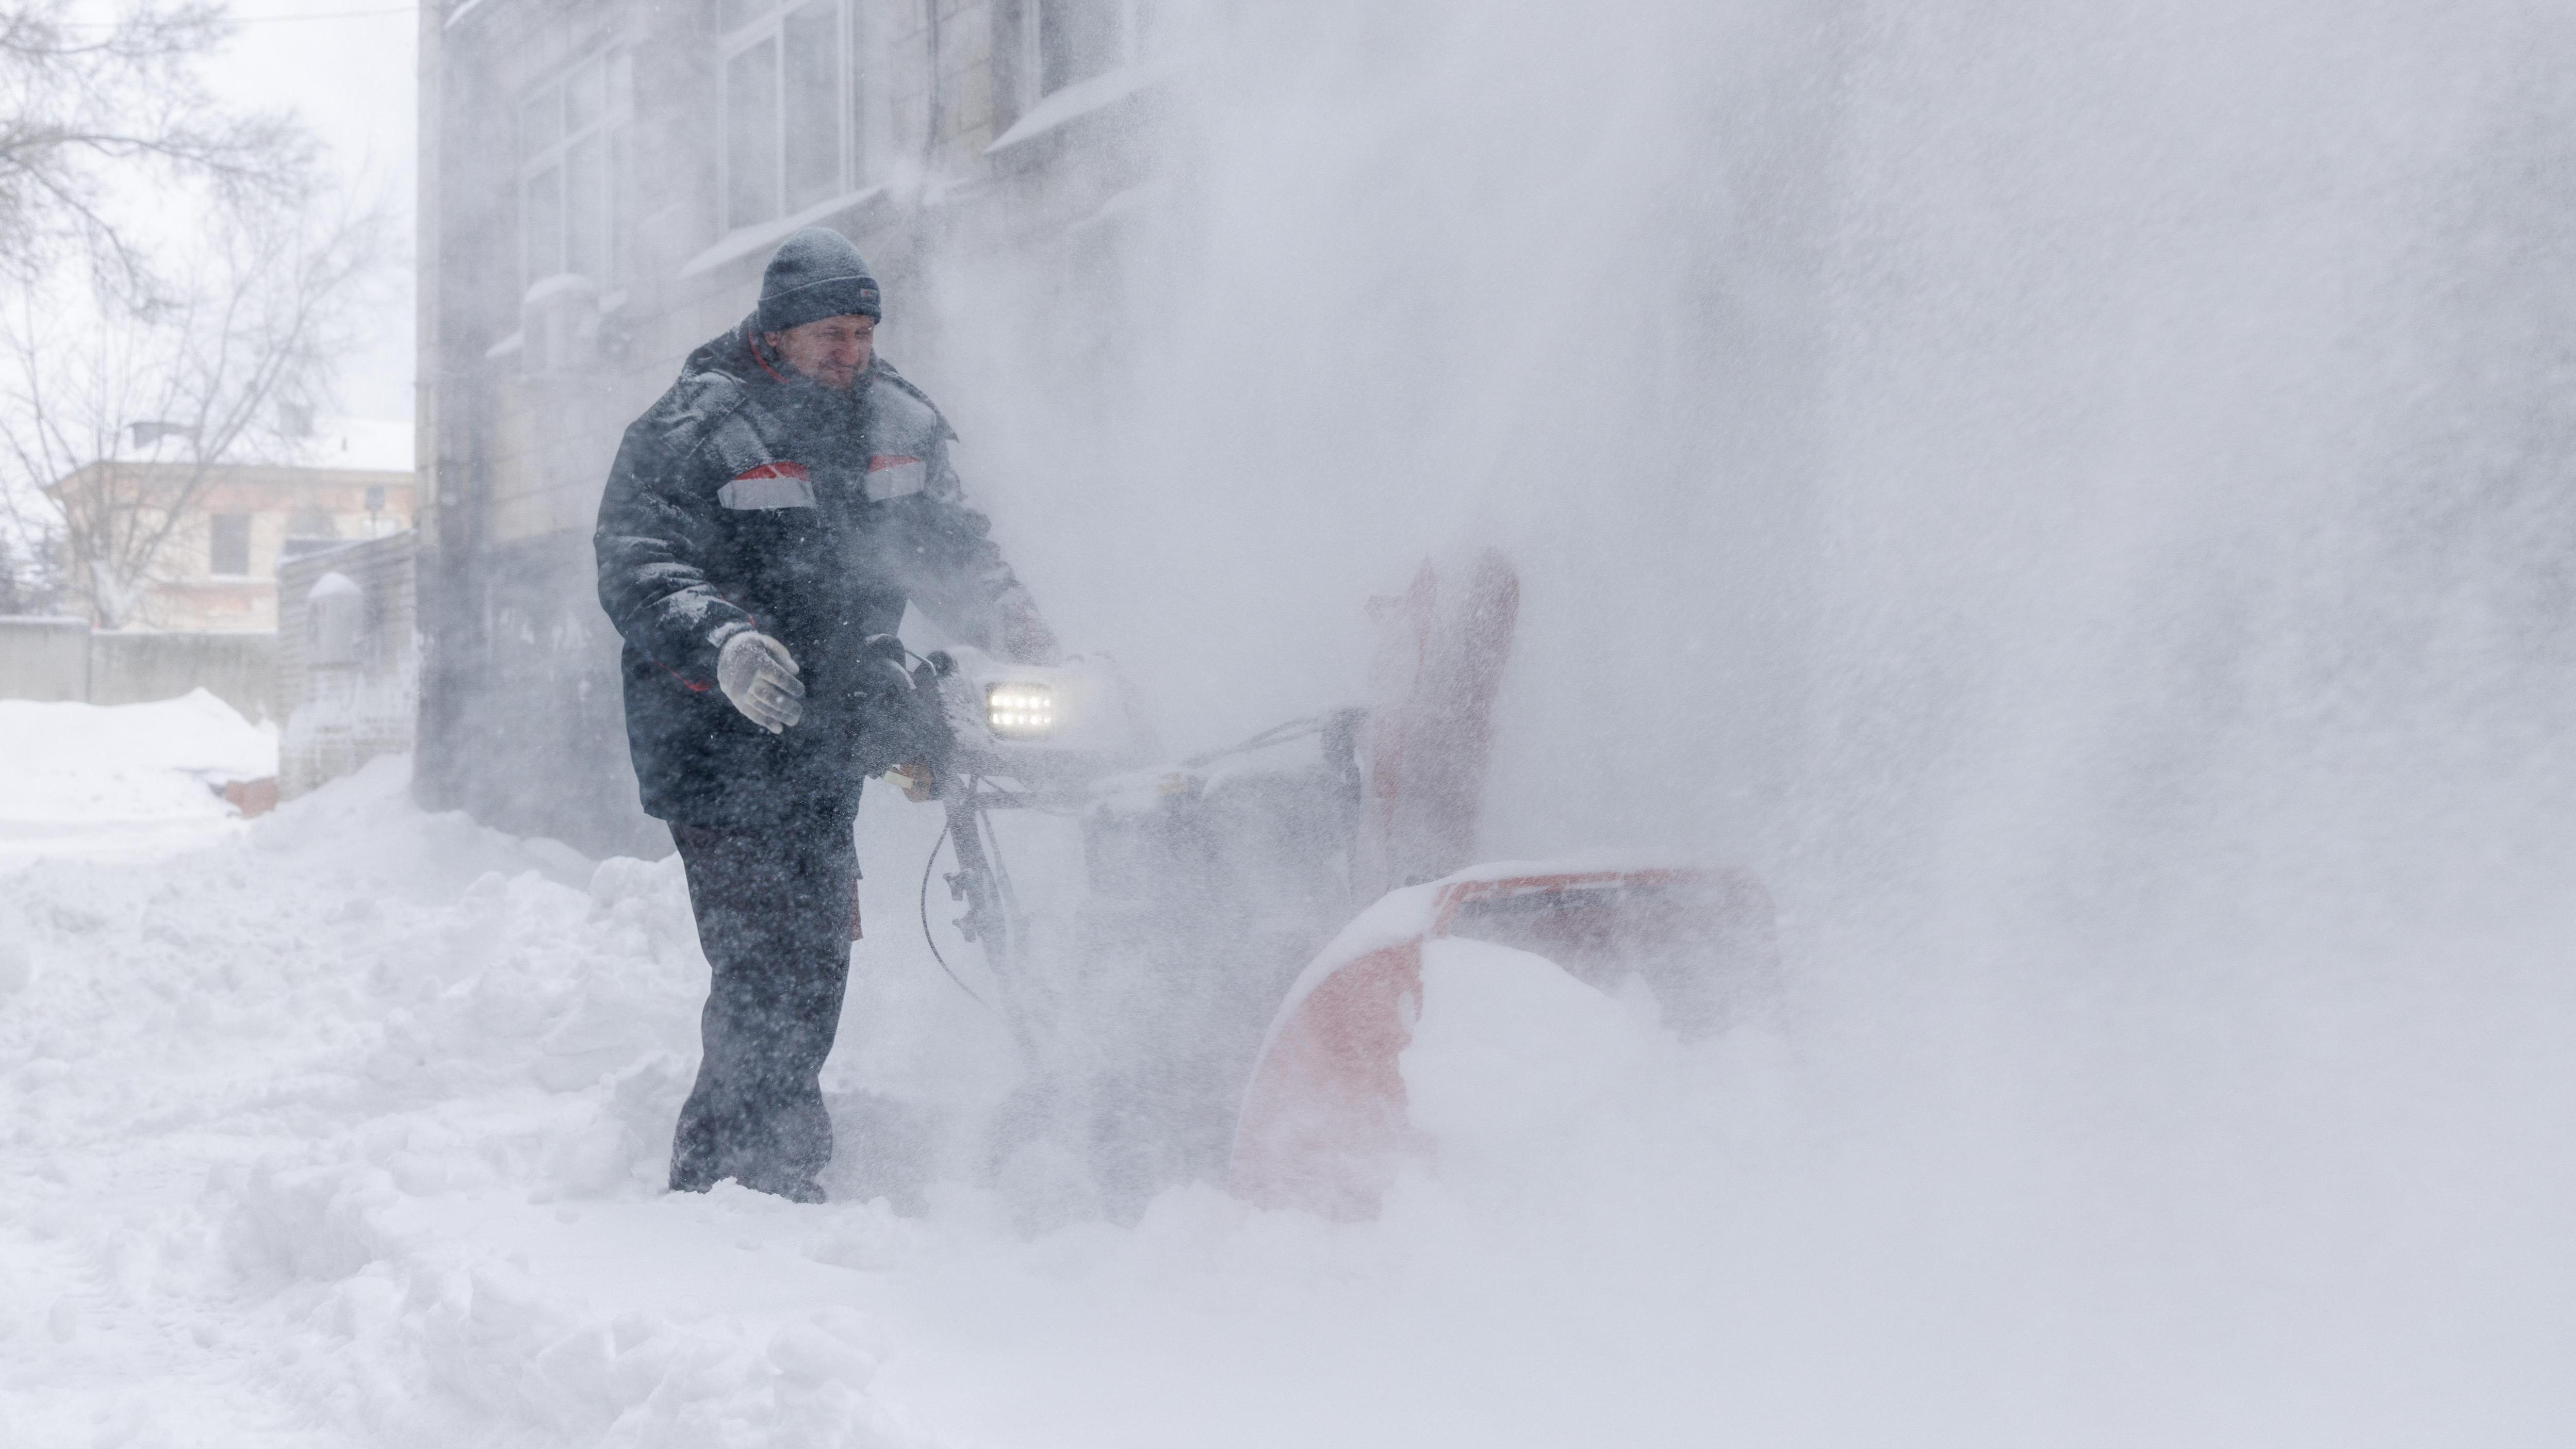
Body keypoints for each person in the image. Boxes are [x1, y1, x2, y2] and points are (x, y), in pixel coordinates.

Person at [595, 227, 1058, 1202]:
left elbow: (953, 544)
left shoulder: (896, 421)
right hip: (716, 742)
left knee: (810, 960)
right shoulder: (696, 428)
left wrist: (1009, 615)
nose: (852, 352)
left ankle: (752, 1170)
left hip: (825, 734)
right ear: (778, 328)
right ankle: (745, 1177)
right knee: (768, 960)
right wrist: (724, 642)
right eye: (831, 334)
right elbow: (642, 564)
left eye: (863, 331)